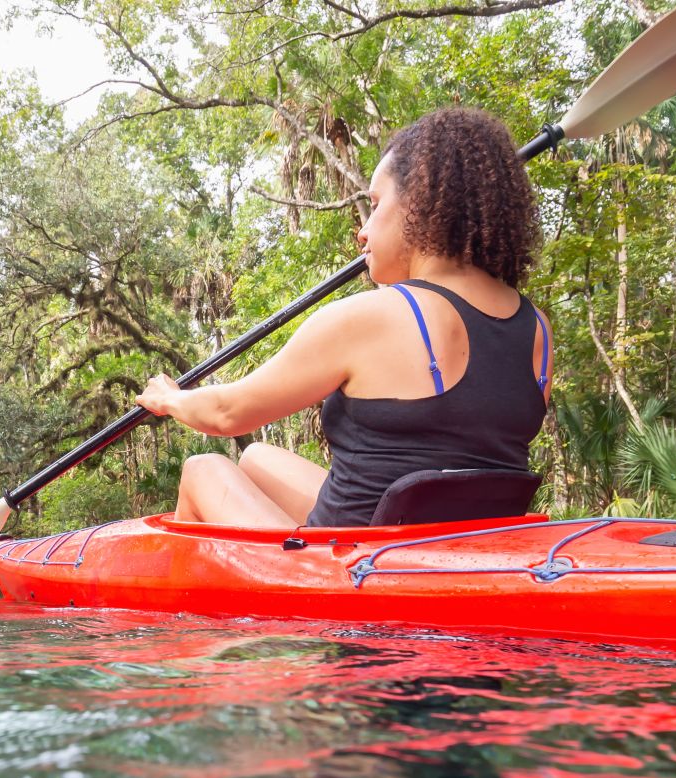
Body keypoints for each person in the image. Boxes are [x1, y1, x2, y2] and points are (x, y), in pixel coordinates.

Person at [135, 107, 553, 527]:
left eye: (374, 205)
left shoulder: (374, 316)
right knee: (257, 456)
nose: (363, 230)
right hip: (442, 552)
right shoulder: (537, 329)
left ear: (420, 203)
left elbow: (227, 413)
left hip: (349, 568)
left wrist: (171, 399)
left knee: (202, 469)